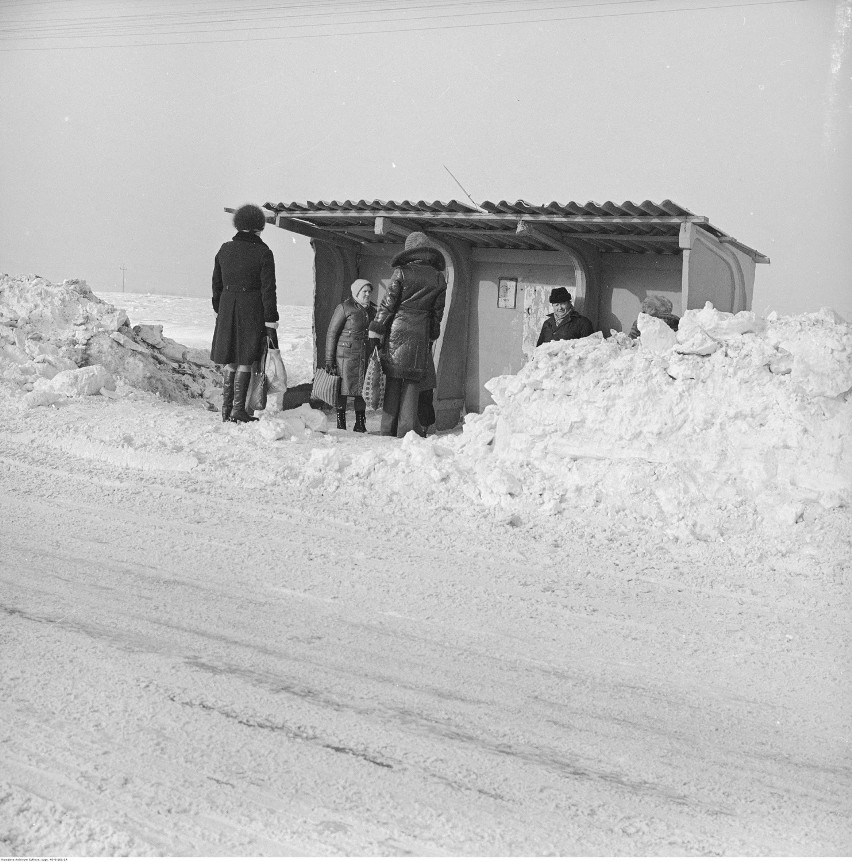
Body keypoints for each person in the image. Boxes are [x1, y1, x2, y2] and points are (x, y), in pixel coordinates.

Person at [368, 232, 447, 438]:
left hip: (397, 331)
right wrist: (431, 335)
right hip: (420, 334)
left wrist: (376, 329)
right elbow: (437, 313)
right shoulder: (439, 277)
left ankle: (387, 429)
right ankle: (407, 432)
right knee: (412, 384)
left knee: (394, 381)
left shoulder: (402, 272)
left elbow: (388, 305)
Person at [210, 203, 279, 423]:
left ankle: (226, 409)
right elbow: (269, 289)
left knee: (230, 359)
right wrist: (271, 319)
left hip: (227, 306)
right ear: (260, 227)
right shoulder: (263, 252)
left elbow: (216, 284)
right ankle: (238, 410)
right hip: (252, 308)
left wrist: (219, 308)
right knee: (245, 359)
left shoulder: (224, 249)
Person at [324, 278, 376, 432]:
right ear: (357, 292)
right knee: (343, 389)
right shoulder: (344, 307)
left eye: (369, 292)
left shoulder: (373, 310)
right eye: (364, 291)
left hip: (364, 355)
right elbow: (332, 334)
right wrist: (329, 359)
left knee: (362, 389)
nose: (367, 294)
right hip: (345, 356)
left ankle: (360, 423)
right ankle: (341, 422)